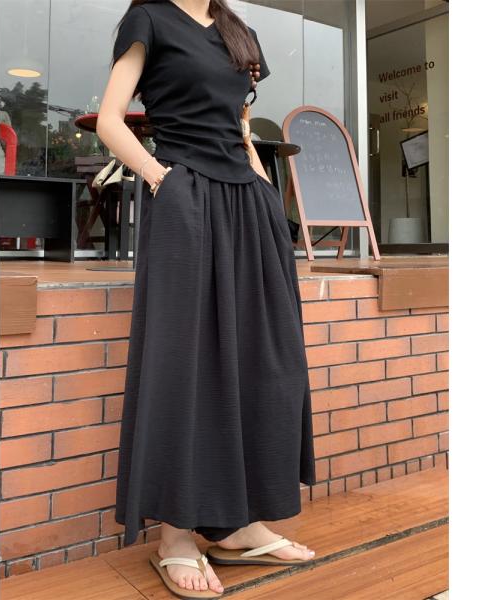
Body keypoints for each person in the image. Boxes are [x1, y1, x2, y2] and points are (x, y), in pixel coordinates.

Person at [97, 1, 317, 597]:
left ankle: (238, 523)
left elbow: (241, 125)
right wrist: (160, 178)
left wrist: (265, 191)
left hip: (248, 201)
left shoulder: (238, 30)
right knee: (185, 365)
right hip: (187, 197)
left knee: (268, 360)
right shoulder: (149, 19)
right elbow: (111, 120)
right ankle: (175, 535)